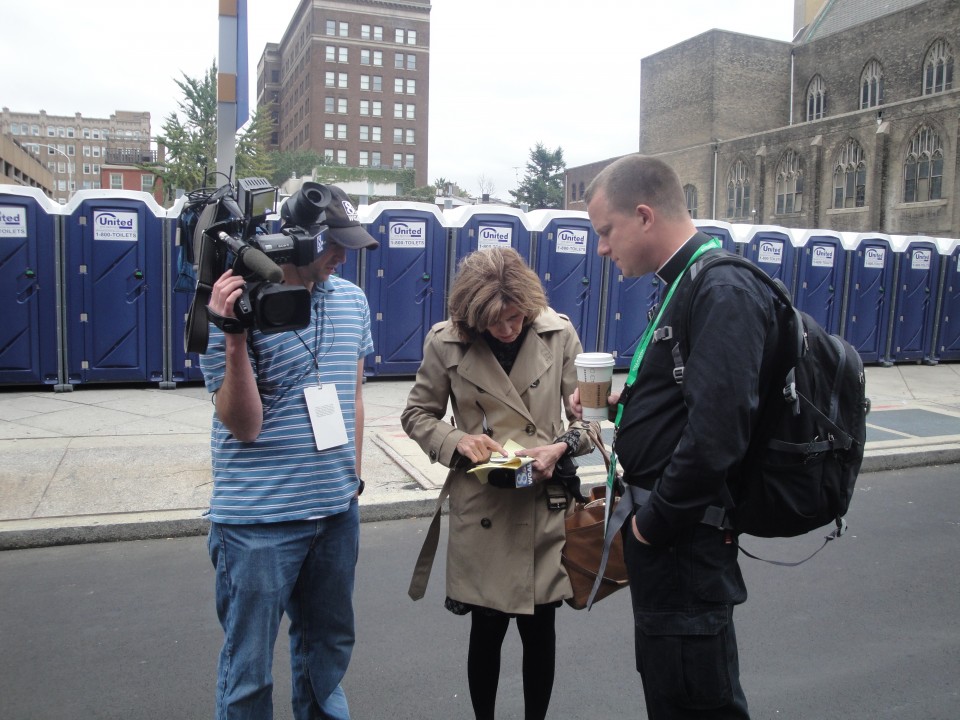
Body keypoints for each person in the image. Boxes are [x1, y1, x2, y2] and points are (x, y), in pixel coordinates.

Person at [574, 155, 784, 719]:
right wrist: (624, 403)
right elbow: (689, 401)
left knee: (696, 702)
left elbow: (717, 436)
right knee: (671, 693)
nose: (602, 248)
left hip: (683, 544)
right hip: (670, 544)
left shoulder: (721, 289)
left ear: (645, 216)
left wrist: (650, 527)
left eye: (606, 231)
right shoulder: (683, 283)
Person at [200, 185, 378, 720]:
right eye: (334, 245)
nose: (342, 257)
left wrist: (352, 482)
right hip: (258, 524)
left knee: (326, 658)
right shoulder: (237, 303)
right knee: (248, 673)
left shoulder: (352, 300)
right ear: (302, 241)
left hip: (336, 513)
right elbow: (244, 426)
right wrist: (234, 335)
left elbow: (352, 395)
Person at [402, 246, 595, 720]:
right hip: (483, 501)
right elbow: (417, 414)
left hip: (542, 501)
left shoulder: (558, 333)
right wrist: (458, 440)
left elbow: (591, 420)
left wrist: (560, 447)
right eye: (494, 321)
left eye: (514, 317)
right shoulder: (446, 342)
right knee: (485, 631)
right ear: (471, 316)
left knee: (540, 629)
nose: (507, 328)